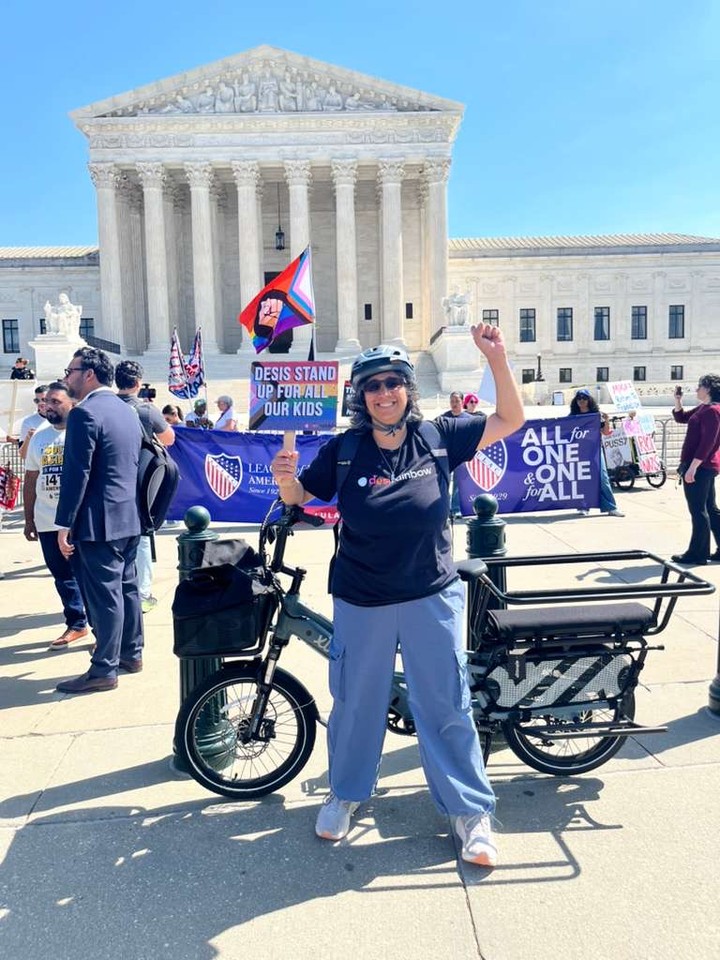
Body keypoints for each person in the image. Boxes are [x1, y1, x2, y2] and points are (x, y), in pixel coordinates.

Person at [271, 325, 525, 866]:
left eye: (393, 383)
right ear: (360, 398)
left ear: (408, 388)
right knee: (356, 705)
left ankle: (469, 811)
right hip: (362, 598)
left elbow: (511, 419)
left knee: (445, 704)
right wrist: (284, 479)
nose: (384, 393)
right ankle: (345, 794)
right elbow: (299, 498)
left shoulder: (439, 437)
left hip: (429, 595)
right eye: (372, 386)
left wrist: (497, 359)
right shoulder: (344, 450)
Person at [54, 347, 144, 694]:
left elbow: (77, 473)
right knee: (128, 590)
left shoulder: (84, 413)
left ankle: (104, 668)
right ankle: (130, 653)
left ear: (88, 373)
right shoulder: (126, 411)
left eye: (70, 370)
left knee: (105, 597)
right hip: (128, 516)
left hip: (97, 520)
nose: (66, 377)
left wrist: (65, 524)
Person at [23, 382, 89, 649]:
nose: (48, 406)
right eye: (46, 402)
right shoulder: (39, 436)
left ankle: (102, 629)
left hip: (79, 519)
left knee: (87, 574)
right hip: (47, 519)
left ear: (72, 404)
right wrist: (29, 519)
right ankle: (76, 623)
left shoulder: (81, 433)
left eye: (55, 402)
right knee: (62, 575)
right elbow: (30, 479)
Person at [115, 361, 175, 613]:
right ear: (138, 383)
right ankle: (141, 593)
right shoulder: (145, 410)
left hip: (109, 480)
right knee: (141, 536)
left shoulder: (104, 407)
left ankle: (118, 591)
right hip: (138, 480)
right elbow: (169, 438)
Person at [670, 376, 720, 565]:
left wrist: (692, 467)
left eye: (700, 386)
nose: (697, 389)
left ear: (709, 389)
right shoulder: (704, 408)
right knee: (710, 509)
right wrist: (677, 400)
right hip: (704, 466)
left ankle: (698, 553)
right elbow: (681, 417)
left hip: (701, 466)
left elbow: (708, 442)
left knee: (698, 510)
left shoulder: (712, 411)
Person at [570, 389, 624, 517]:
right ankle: (583, 506)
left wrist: (607, 420)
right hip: (579, 451)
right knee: (583, 479)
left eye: (584, 398)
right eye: (579, 398)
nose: (581, 401)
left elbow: (605, 432)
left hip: (595, 451)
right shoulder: (572, 416)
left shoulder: (596, 415)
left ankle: (611, 507)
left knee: (603, 479)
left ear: (589, 400)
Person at [18, 385, 50, 459]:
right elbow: (23, 455)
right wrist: (28, 438)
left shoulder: (61, 419)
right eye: (37, 401)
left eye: (44, 399)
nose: (40, 403)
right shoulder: (28, 422)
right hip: (38, 467)